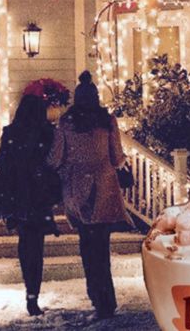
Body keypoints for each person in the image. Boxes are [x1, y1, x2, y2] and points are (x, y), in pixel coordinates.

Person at [49, 71, 130, 319]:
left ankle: (96, 296)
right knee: (101, 247)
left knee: (87, 246)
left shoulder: (66, 122)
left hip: (77, 189)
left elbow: (55, 158)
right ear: (95, 97)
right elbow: (117, 157)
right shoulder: (107, 121)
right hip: (104, 188)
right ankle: (107, 300)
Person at [0, 92, 60, 317]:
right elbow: (54, 162)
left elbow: (2, 164)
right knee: (36, 247)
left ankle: (30, 292)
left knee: (26, 244)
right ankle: (33, 293)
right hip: (39, 197)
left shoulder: (11, 133)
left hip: (19, 197)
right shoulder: (47, 133)